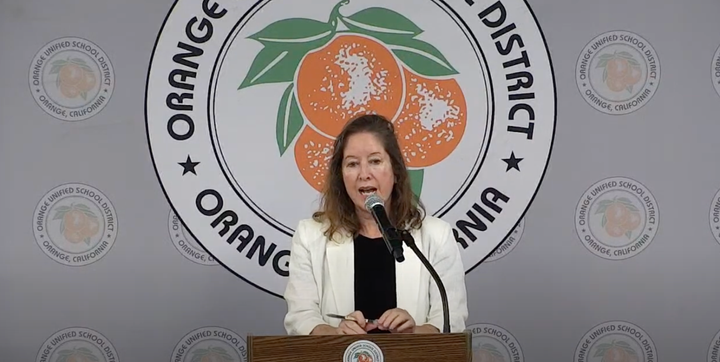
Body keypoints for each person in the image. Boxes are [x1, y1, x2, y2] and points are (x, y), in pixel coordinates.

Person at [283, 114, 468, 335]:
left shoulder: (437, 235)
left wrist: (413, 334)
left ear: (396, 171)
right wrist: (337, 336)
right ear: (341, 176)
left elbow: (451, 320)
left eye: (375, 161)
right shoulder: (309, 236)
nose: (364, 174)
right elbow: (300, 317)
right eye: (352, 164)